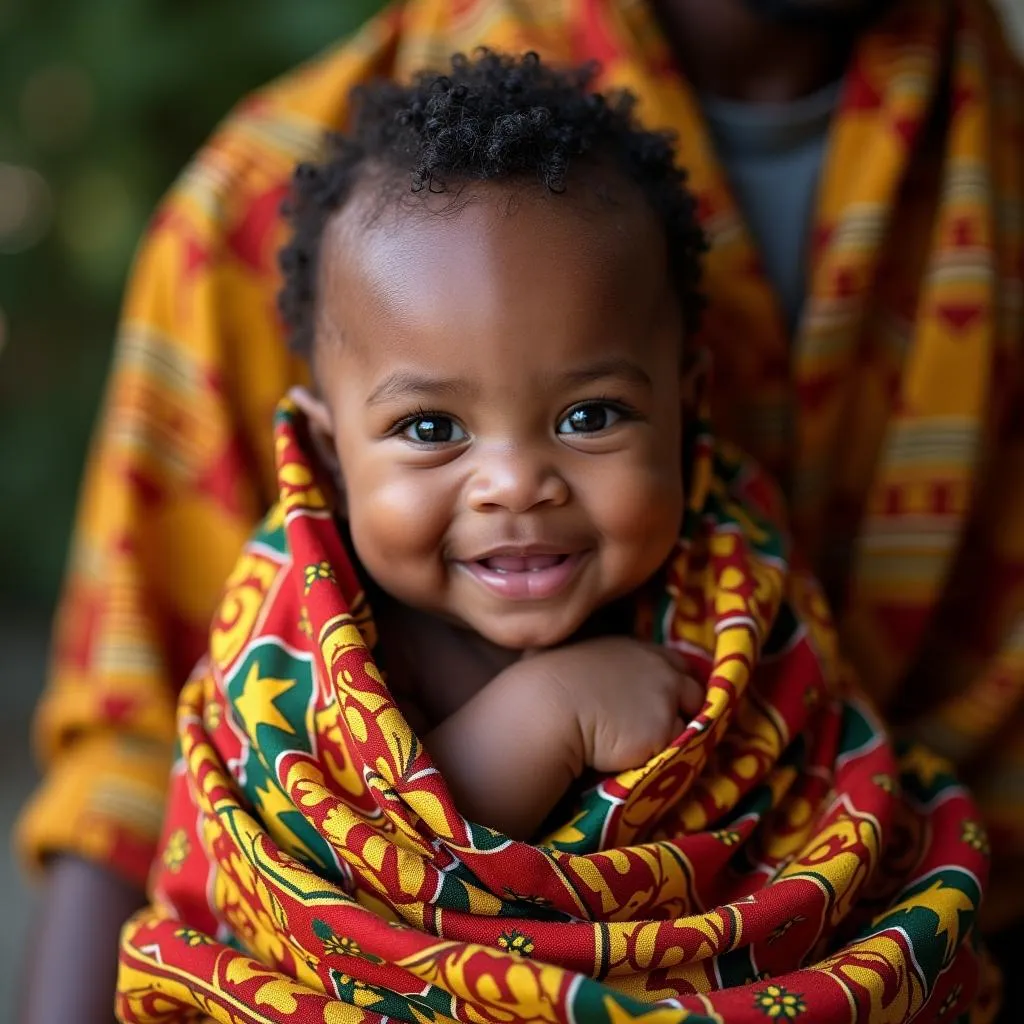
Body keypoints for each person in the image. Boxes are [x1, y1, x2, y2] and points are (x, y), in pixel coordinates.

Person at [17, 0, 1024, 1022]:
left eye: (589, 416)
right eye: (428, 430)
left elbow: (838, 794)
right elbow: (182, 788)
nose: (514, 482)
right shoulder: (246, 221)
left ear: (690, 405)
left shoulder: (741, 584)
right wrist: (542, 718)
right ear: (323, 454)